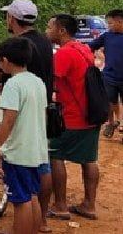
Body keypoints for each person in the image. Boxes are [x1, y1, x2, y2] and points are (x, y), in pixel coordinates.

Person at [0, 0, 54, 232]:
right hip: (36, 146)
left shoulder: (13, 83)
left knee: (21, 201)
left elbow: (9, 120)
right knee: (31, 195)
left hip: (19, 151)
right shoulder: (39, 73)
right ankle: (38, 225)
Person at [44, 14, 100, 221]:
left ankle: (60, 205)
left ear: (61, 31)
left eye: (50, 27)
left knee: (56, 156)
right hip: (92, 114)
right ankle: (89, 204)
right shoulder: (84, 49)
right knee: (89, 159)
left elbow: (51, 84)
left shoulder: (64, 54)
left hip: (72, 116)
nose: (46, 31)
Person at [88, 9, 123, 140]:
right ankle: (111, 122)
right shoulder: (107, 36)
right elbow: (90, 46)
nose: (109, 26)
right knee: (109, 101)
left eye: (111, 23)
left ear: (120, 22)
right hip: (109, 76)